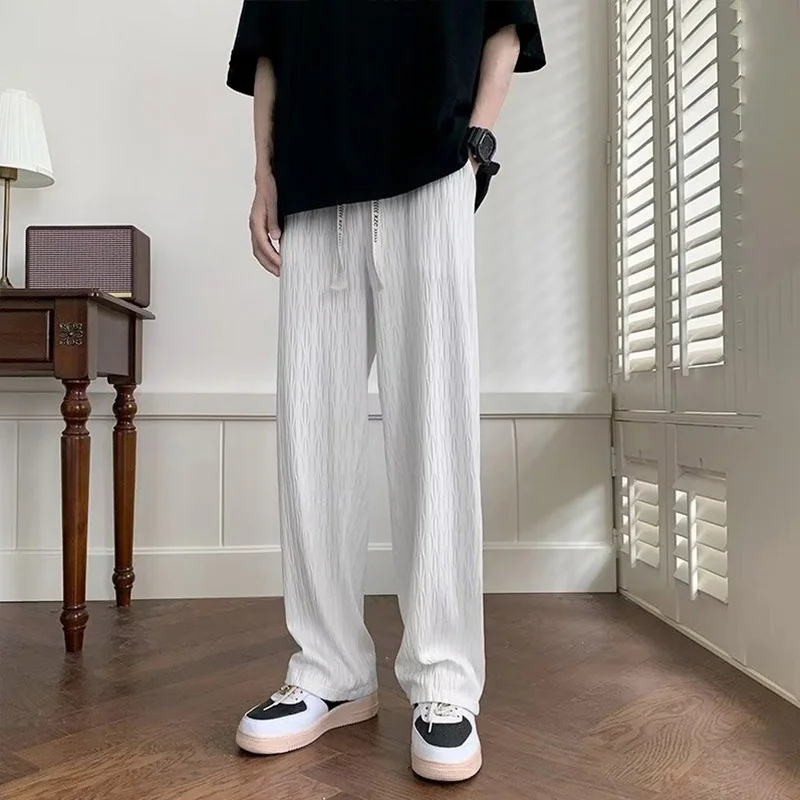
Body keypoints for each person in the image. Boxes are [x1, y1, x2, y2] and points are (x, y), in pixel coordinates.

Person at [226, 0, 545, 783]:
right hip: (313, 173)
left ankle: (444, 679)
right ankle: (329, 670)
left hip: (433, 164)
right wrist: (264, 175)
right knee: (312, 431)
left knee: (434, 424)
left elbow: (506, 20)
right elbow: (268, 43)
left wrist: (477, 145)